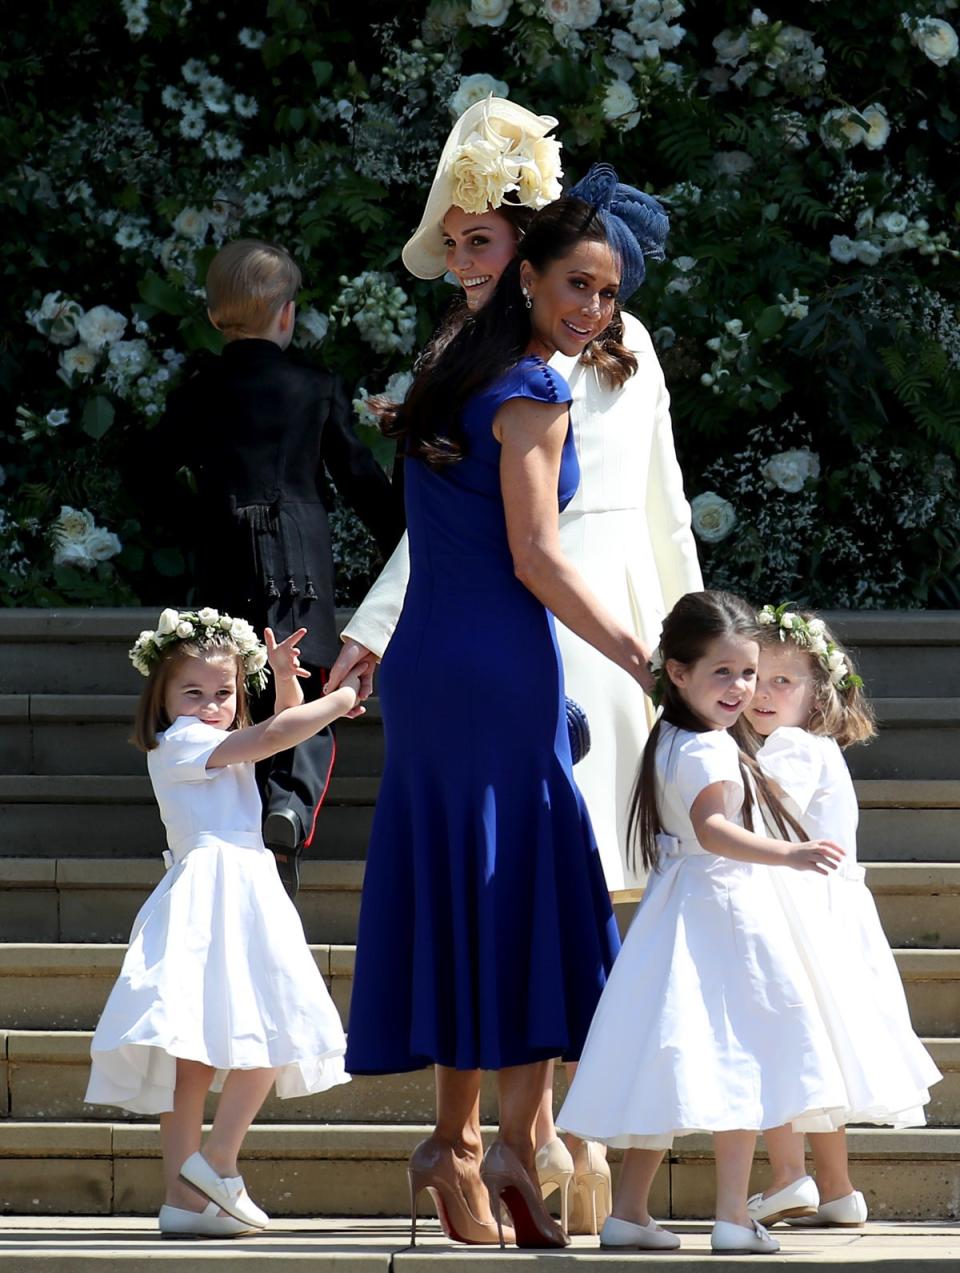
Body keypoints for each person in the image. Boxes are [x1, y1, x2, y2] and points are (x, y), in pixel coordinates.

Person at [328, 98, 701, 1234]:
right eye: (577, 284)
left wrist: (683, 630)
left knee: (474, 889)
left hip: (463, 654)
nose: (593, 307)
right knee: (532, 894)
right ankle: (502, 1146)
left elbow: (660, 516)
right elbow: (535, 552)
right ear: (539, 274)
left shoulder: (455, 365)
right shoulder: (530, 383)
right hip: (522, 649)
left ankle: (478, 1144)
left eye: (607, 291)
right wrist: (655, 662)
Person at [557, 590, 866, 1256]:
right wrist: (793, 850)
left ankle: (631, 1211)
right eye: (722, 672)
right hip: (726, 906)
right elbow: (712, 829)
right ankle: (732, 1214)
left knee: (669, 1057)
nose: (740, 687)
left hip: (682, 905)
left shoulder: (672, 734)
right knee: (742, 1057)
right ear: (677, 671)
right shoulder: (709, 748)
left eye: (748, 672)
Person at [85, 607, 369, 1237]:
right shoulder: (181, 742)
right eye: (193, 691)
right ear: (160, 697)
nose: (211, 704)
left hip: (238, 883)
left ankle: (185, 1198)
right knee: (263, 1028)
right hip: (219, 885)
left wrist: (289, 681)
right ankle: (213, 1164)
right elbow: (273, 738)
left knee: (213, 1047)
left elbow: (277, 731)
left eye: (225, 692)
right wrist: (343, 697)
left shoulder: (212, 741)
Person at [157, 239, 403, 897]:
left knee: (235, 695)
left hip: (224, 560)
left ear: (215, 318)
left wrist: (193, 521)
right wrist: (412, 545)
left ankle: (247, 819)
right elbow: (358, 478)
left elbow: (148, 474)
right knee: (308, 687)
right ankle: (289, 803)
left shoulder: (197, 392)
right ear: (287, 316)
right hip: (298, 568)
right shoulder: (315, 388)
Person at [741, 604, 941, 1230]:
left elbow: (754, 817)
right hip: (823, 916)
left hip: (794, 914)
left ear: (816, 693)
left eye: (784, 682)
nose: (765, 694)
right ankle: (837, 1189)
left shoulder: (793, 749)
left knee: (775, 1042)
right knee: (814, 1053)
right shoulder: (808, 746)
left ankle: (786, 1176)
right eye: (756, 677)